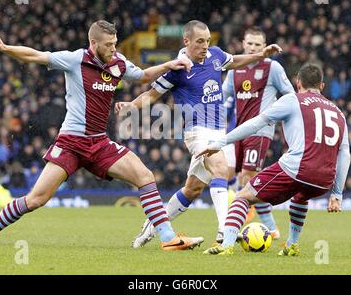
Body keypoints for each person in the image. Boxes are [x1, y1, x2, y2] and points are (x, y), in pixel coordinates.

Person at [0, 20, 204, 251]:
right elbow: (35, 56)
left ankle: (168, 239)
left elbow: (143, 76)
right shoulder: (74, 60)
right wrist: (5, 47)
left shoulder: (117, 63)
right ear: (93, 43)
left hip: (99, 142)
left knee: (145, 176)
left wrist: (169, 65)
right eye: (108, 45)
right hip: (72, 143)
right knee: (36, 199)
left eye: (115, 43)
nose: (113, 48)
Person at [115, 20, 282, 247]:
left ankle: (151, 226)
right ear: (187, 42)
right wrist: (130, 106)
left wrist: (260, 55)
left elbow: (235, 61)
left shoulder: (215, 55)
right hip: (196, 131)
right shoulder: (177, 69)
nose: (205, 46)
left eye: (207, 41)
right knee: (221, 169)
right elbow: (152, 95)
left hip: (217, 131)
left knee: (192, 190)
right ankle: (226, 230)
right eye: (200, 41)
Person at [198, 63, 350, 256]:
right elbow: (345, 154)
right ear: (322, 86)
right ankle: (291, 245)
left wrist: (221, 141)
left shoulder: (292, 100)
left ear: (298, 83)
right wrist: (337, 193)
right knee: (300, 197)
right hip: (324, 180)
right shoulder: (338, 113)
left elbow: (256, 123)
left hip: (297, 168)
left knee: (243, 196)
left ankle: (226, 245)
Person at [221, 27, 295, 239]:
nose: (252, 47)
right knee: (225, 173)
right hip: (237, 131)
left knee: (247, 177)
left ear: (264, 47)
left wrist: (277, 115)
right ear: (243, 44)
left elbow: (290, 95)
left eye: (257, 45)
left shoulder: (273, 68)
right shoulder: (234, 69)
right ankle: (269, 228)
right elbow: (223, 97)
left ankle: (235, 230)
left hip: (260, 131)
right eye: (249, 43)